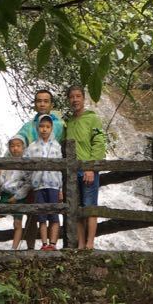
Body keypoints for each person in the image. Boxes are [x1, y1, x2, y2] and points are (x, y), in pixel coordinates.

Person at [65, 84, 106, 250]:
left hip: (88, 170)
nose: (75, 100)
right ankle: (80, 244)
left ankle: (90, 243)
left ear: (83, 98)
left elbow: (99, 143)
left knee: (90, 207)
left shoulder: (92, 118)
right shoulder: (69, 122)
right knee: (77, 208)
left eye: (78, 96)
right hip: (72, 173)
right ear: (68, 100)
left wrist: (90, 167)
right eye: (72, 97)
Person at [26, 114, 63, 251]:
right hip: (38, 186)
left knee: (54, 216)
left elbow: (60, 168)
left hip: (53, 185)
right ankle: (44, 243)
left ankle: (53, 244)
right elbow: (26, 168)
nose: (44, 129)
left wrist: (61, 189)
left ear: (51, 128)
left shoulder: (57, 146)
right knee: (41, 217)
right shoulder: (32, 147)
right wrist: (29, 184)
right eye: (42, 126)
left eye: (47, 127)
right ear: (37, 128)